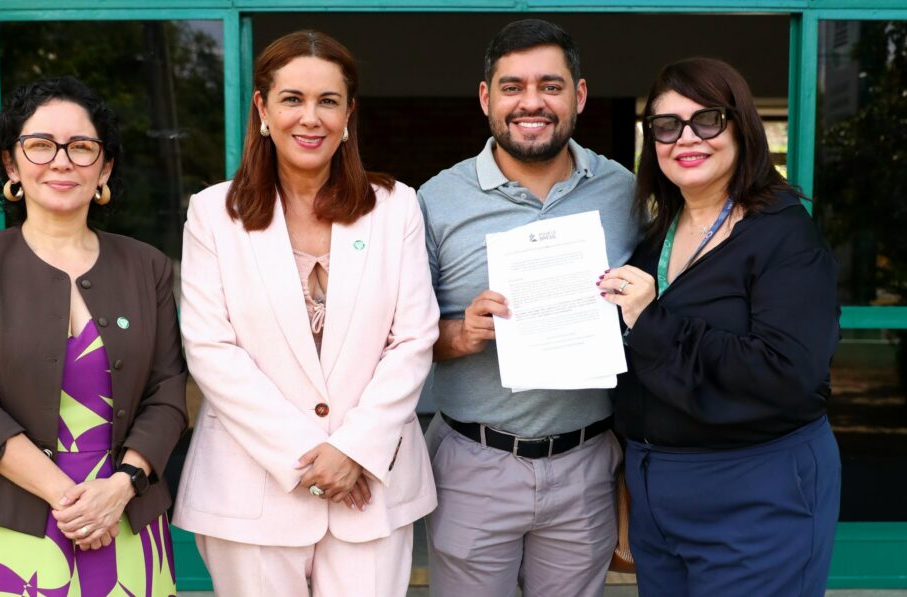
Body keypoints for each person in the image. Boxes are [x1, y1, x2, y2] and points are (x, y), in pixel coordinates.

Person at [171, 30, 439, 596]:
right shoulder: (214, 213)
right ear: (263, 109)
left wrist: (354, 449)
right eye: (292, 99)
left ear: (349, 115)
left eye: (328, 101)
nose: (310, 118)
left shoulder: (396, 207)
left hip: (369, 487)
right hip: (251, 489)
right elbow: (211, 350)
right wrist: (310, 457)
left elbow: (414, 339)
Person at [0, 76, 189, 596]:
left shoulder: (147, 266)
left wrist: (120, 488)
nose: (61, 161)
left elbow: (168, 395)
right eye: (41, 145)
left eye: (81, 147)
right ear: (12, 164)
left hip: (125, 517)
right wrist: (73, 500)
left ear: (104, 168)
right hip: (5, 524)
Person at [600, 57, 841, 596]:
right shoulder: (657, 233)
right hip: (656, 491)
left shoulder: (783, 236)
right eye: (666, 125)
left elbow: (786, 371)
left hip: (756, 489)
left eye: (707, 119)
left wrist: (651, 321)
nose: (686, 138)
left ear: (741, 126)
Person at [418, 19, 641, 597]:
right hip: (474, 462)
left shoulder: (625, 191)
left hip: (587, 462)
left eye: (550, 85)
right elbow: (397, 335)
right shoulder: (435, 200)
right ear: (486, 97)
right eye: (513, 87)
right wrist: (461, 333)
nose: (532, 103)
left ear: (579, 95)